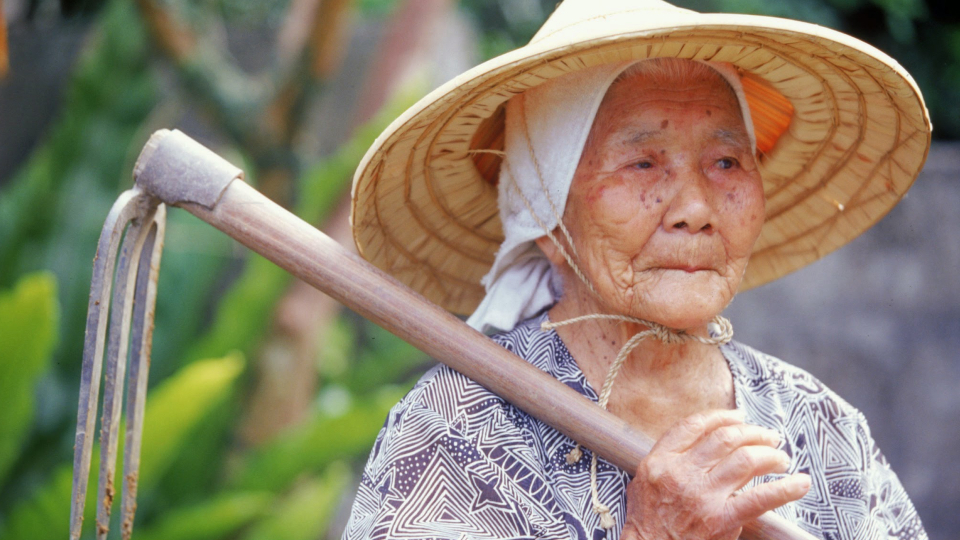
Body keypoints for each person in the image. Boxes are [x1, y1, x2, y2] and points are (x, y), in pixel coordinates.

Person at [344, 1, 931, 539]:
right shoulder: (457, 431)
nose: (696, 210)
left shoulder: (822, 428)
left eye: (726, 161)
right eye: (642, 162)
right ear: (548, 220)